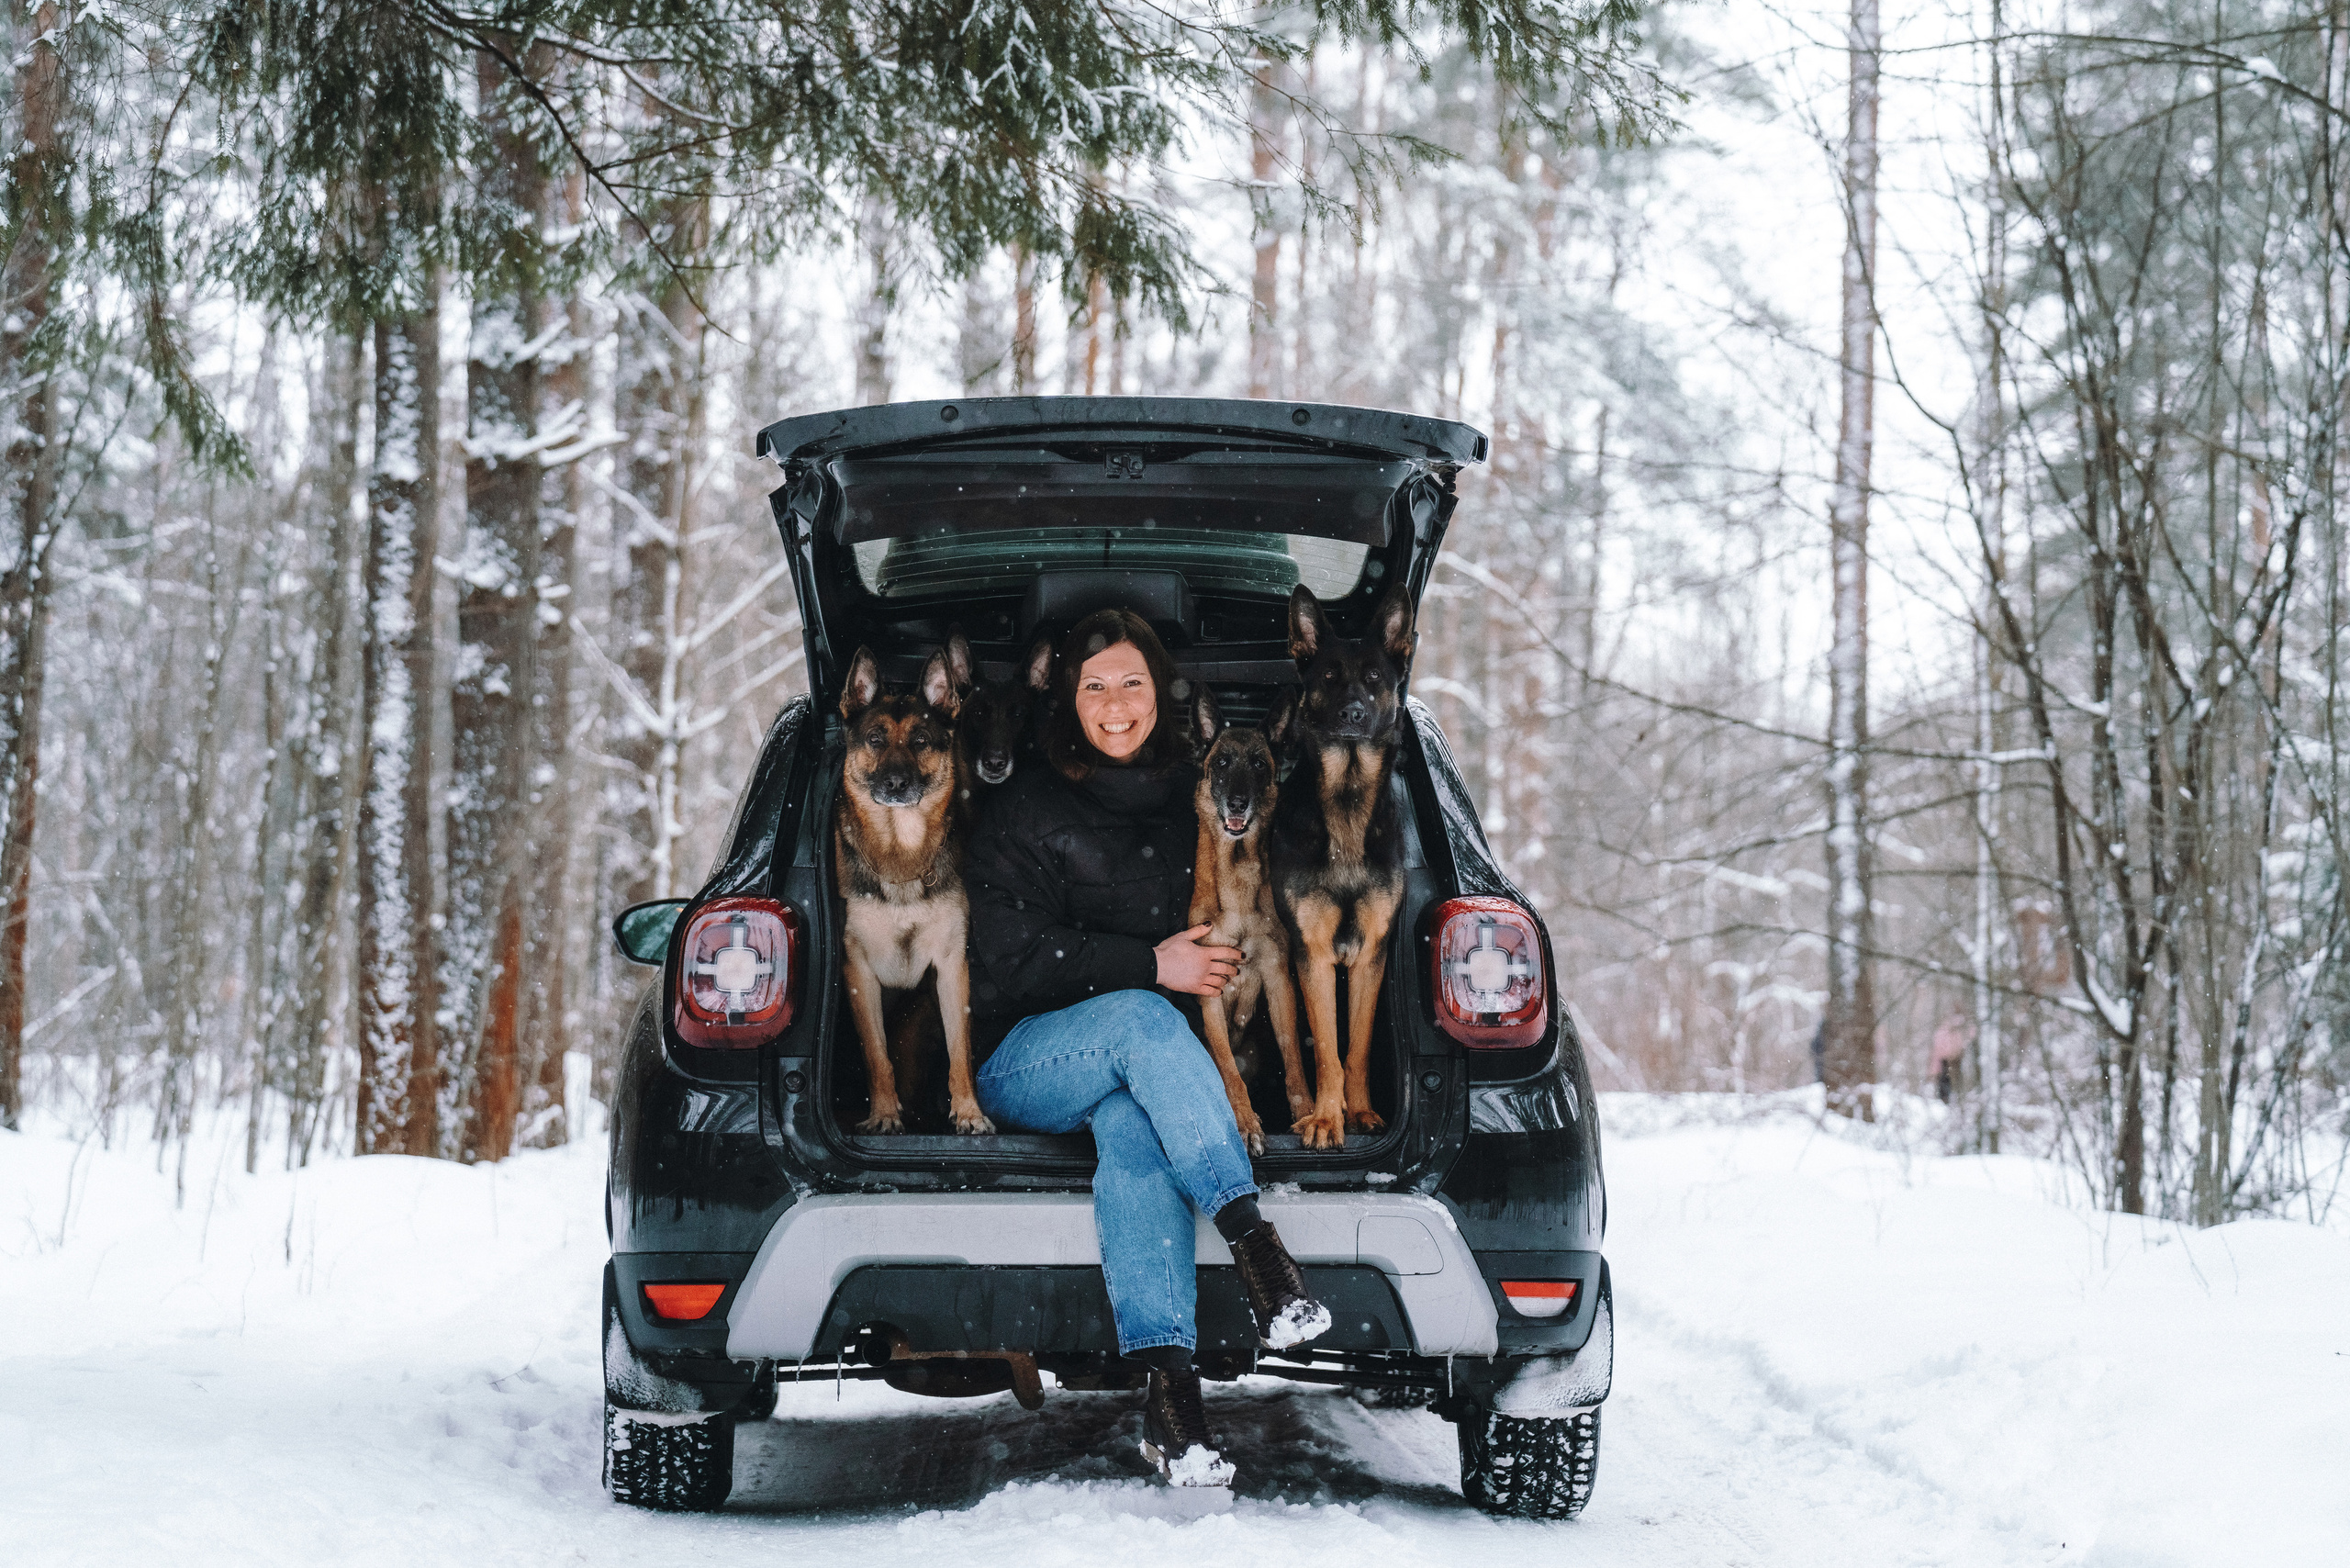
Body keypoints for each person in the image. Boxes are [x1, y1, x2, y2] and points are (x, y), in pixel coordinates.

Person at [964, 607, 1331, 1487]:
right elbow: (1008, 957)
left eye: (1132, 682)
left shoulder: (1197, 793)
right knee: (1141, 1015)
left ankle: (1174, 1402)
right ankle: (1258, 1250)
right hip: (1023, 1057)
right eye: (1096, 685)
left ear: (1161, 696)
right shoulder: (1025, 803)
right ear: (1072, 697)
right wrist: (1149, 964)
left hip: (1140, 1069)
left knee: (1134, 1133)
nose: (1116, 703)